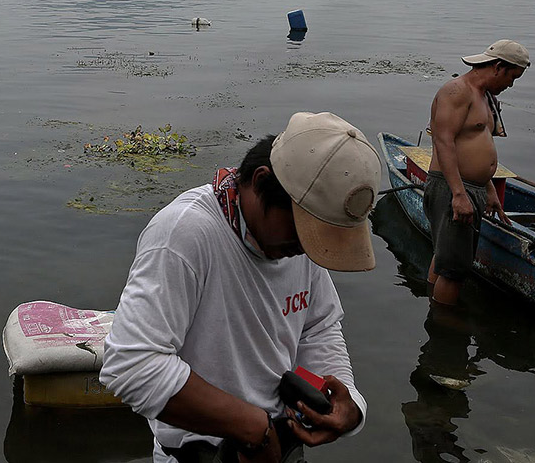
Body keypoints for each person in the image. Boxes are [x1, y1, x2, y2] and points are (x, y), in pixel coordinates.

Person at [100, 112, 379, 463]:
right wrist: (252, 429)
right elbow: (131, 365)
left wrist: (348, 405)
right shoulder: (185, 235)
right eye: (305, 232)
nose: (309, 249)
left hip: (278, 446)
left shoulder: (298, 241)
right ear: (261, 182)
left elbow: (318, 328)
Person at [425, 39, 529, 306]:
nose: (511, 85)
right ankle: (444, 327)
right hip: (453, 187)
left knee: (445, 255)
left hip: (472, 187)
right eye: (511, 77)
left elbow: (479, 144)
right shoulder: (457, 91)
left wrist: (489, 188)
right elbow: (443, 141)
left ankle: (432, 299)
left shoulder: (486, 98)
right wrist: (458, 194)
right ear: (497, 67)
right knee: (454, 269)